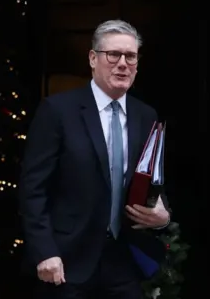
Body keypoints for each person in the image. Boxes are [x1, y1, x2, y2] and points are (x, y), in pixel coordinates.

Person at [19, 20, 171, 299]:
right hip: (66, 261)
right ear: (92, 58)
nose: (122, 64)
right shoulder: (57, 111)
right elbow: (33, 189)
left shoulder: (145, 115)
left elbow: (152, 179)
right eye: (113, 54)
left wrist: (162, 216)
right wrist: (45, 251)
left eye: (131, 56)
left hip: (124, 260)